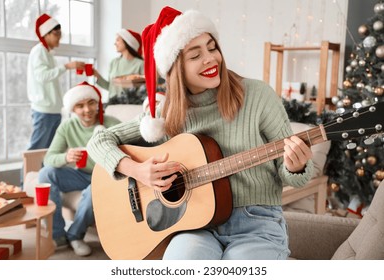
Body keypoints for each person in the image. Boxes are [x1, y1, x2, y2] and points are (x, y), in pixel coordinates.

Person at [87, 6, 314, 260]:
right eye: (195, 55)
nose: (210, 59)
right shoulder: (165, 114)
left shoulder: (258, 95)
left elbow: (298, 178)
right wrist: (137, 170)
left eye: (212, 47)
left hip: (257, 223)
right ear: (176, 69)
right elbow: (98, 141)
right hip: (195, 226)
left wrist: (296, 166)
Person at [38, 81, 120, 256]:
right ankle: (58, 235)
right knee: (47, 173)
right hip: (79, 174)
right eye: (80, 106)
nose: (87, 110)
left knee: (93, 191)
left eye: (91, 103)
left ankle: (75, 235)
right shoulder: (67, 126)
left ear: (97, 103)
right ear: (73, 109)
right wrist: (65, 157)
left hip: (106, 177)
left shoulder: (112, 123)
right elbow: (49, 158)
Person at [27, 13, 85, 150]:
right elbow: (42, 76)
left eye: (60, 33)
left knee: (47, 151)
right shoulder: (39, 51)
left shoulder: (48, 54)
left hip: (52, 110)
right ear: (46, 34)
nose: (60, 36)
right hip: (44, 110)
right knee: (36, 150)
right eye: (56, 33)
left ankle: (41, 172)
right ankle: (26, 173)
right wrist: (66, 66)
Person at [93, 28, 144, 104]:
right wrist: (96, 75)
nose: (115, 43)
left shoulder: (140, 64)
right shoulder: (114, 62)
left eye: (118, 40)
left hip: (131, 106)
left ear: (127, 42)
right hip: (112, 104)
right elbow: (110, 87)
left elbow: (144, 90)